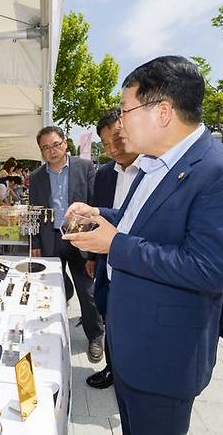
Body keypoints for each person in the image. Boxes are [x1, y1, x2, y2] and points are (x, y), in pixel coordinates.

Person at [62, 56, 223, 435]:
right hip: (131, 339)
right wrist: (99, 213)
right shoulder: (155, 163)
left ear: (163, 111)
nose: (119, 124)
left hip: (164, 352)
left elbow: (210, 268)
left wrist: (114, 245)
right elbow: (142, 220)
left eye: (125, 111)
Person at [29, 125, 104, 363]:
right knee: (51, 289)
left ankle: (95, 335)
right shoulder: (37, 176)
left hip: (81, 239)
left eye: (55, 144)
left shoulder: (85, 168)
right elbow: (34, 212)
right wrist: (36, 242)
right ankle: (51, 334)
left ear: (65, 143)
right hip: (51, 240)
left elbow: (95, 207)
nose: (51, 151)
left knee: (87, 292)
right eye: (45, 148)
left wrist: (93, 253)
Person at [84, 109, 140, 390]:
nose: (113, 149)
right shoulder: (104, 174)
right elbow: (100, 221)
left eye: (118, 139)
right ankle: (111, 367)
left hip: (141, 264)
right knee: (108, 316)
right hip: (107, 262)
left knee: (135, 325)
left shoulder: (153, 171)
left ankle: (132, 375)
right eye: (105, 144)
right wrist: (94, 257)